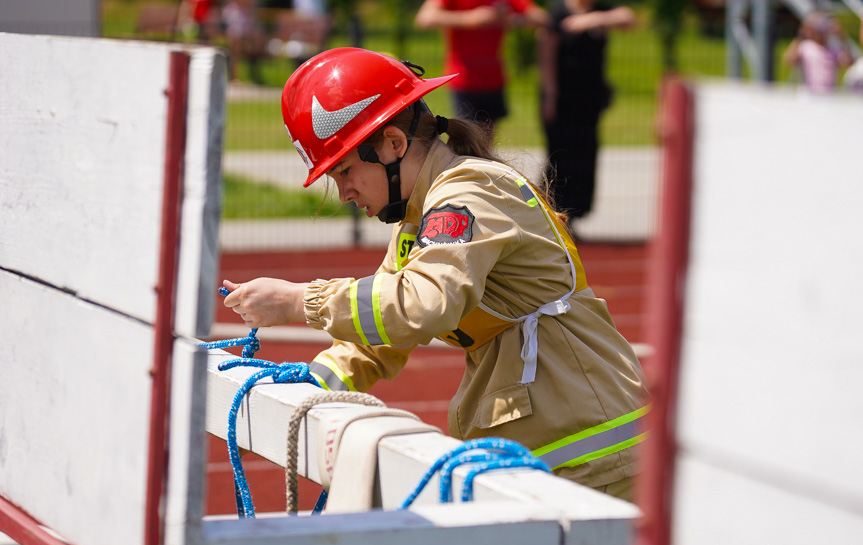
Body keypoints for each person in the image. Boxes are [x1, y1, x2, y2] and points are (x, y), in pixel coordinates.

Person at [223, 48, 649, 501]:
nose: (344, 192)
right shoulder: (421, 216)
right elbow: (381, 332)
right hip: (557, 454)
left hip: (594, 458)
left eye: (344, 169)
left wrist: (298, 301)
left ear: (393, 144)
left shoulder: (468, 192)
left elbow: (421, 305)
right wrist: (310, 385)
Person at [538, 0, 635, 225]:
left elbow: (628, 17)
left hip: (589, 102)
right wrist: (550, 97)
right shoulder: (558, 13)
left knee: (585, 156)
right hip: (562, 102)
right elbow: (547, 57)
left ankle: (573, 216)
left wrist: (594, 19)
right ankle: (548, 215)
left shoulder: (599, 9)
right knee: (560, 158)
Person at [414, 0, 549, 142]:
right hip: (464, 78)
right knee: (466, 141)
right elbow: (425, 18)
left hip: (494, 77)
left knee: (485, 142)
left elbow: (541, 18)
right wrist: (469, 19)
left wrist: (511, 20)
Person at [783, 11, 853, 93]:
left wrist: (842, 38)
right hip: (809, 96)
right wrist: (801, 35)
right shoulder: (806, 46)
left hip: (829, 97)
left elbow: (848, 63)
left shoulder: (834, 49)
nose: (820, 33)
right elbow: (789, 60)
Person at [222, 0, 267, 83]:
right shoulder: (231, 11)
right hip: (236, 41)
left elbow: (256, 30)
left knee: (257, 41)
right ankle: (233, 78)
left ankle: (255, 77)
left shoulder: (252, 12)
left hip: (250, 41)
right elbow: (234, 33)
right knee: (237, 45)